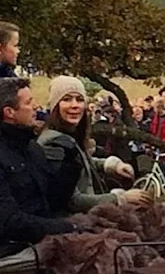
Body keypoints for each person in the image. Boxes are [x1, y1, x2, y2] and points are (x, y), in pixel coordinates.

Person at [0, 78, 75, 271]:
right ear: (9, 112)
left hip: (38, 240)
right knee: (97, 255)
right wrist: (66, 229)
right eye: (28, 102)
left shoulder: (30, 148)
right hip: (9, 250)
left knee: (113, 235)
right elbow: (9, 223)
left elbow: (53, 200)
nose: (35, 107)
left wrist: (70, 166)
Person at [37, 76, 151, 213]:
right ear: (55, 106)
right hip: (72, 225)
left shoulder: (69, 136)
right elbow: (71, 201)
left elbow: (81, 162)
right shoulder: (53, 143)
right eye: (66, 99)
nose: (74, 105)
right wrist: (120, 198)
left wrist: (110, 165)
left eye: (79, 100)